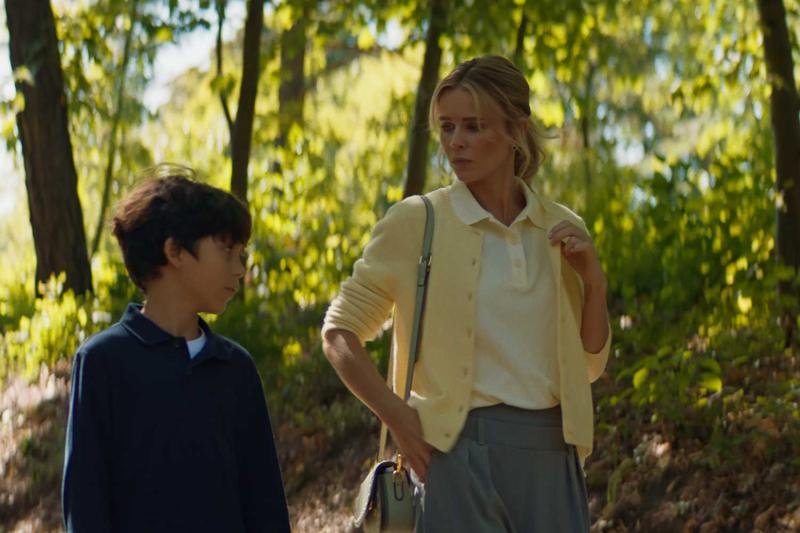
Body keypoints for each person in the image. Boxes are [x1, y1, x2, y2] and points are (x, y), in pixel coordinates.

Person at [322, 55, 610, 531]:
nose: (456, 142)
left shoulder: (560, 227)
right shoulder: (418, 222)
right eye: (447, 127)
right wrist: (398, 418)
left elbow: (588, 367)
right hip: (455, 456)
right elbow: (339, 332)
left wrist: (594, 283)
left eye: (473, 127)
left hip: (553, 454)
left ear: (516, 130)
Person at [61, 164, 290, 532]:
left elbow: (265, 505)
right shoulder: (103, 362)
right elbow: (86, 506)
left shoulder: (235, 368)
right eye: (227, 251)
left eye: (241, 254)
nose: (239, 269)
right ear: (175, 251)